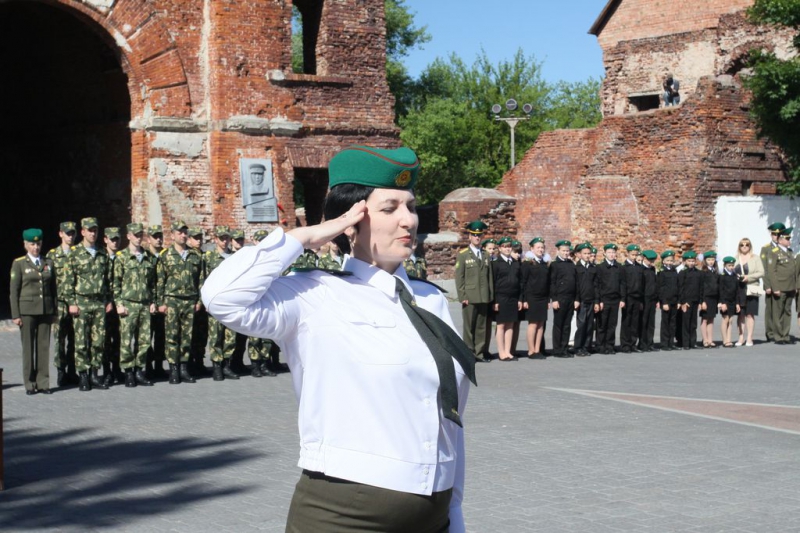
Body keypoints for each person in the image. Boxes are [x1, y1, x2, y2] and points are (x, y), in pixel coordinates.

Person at [202, 145, 474, 532]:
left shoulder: (429, 298)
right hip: (344, 514)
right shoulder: (313, 294)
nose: (408, 220)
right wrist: (305, 235)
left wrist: (455, 509)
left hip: (434, 511)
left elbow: (451, 415)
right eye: (389, 208)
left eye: (411, 206)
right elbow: (222, 297)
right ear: (351, 220)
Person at [63, 217, 113, 391]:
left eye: (95, 230)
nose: (93, 233)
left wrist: (108, 300)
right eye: (89, 230)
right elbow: (68, 281)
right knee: (82, 341)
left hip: (99, 302)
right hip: (82, 302)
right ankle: (83, 375)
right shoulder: (75, 253)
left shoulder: (102, 252)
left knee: (98, 341)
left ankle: (94, 374)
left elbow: (108, 279)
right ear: (82, 232)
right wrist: (71, 302)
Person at [157, 220, 204, 384]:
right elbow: (160, 281)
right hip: (172, 301)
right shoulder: (165, 255)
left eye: (185, 233)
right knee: (171, 336)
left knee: (187, 336)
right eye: (179, 233)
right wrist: (160, 302)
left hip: (189, 300)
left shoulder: (195, 255)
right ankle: (173, 369)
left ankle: (184, 368)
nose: (183, 235)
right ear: (172, 235)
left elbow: (200, 280)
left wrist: (199, 300)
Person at [10, 229, 57, 395]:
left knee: (43, 346)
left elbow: (53, 289)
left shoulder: (48, 263)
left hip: (45, 309)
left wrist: (54, 311)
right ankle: (29, 383)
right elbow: (14, 290)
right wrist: (15, 314)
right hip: (27, 311)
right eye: (32, 244)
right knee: (28, 348)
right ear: (25, 245)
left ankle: (43, 382)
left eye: (38, 244)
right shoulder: (19, 263)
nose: (35, 247)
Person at [113, 223, 157, 387]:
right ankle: (128, 372)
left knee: (144, 341)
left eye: (140, 235)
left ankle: (139, 370)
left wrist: (153, 301)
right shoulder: (121, 257)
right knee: (126, 341)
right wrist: (119, 303)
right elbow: (115, 283)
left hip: (144, 304)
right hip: (128, 305)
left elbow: (153, 283)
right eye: (135, 235)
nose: (138, 238)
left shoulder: (148, 257)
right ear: (129, 236)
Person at [203, 225, 240, 381]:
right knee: (216, 335)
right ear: (215, 239)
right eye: (221, 238)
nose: (224, 242)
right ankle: (217, 366)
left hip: (230, 302)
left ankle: (227, 365)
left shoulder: (235, 257)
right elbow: (202, 279)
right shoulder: (209, 257)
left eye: (227, 238)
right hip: (215, 302)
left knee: (230, 336)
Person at [455, 220, 493, 363]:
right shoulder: (463, 254)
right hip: (469, 297)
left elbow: (489, 277)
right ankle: (469, 353)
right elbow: (459, 277)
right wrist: (462, 296)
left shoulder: (486, 255)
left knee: (481, 327)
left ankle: (480, 353)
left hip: (483, 296)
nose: (477, 238)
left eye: (479, 235)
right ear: (469, 236)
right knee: (469, 327)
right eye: (474, 235)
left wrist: (490, 295)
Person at [47, 221, 78, 387]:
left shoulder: (79, 253)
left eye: (72, 233)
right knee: (59, 339)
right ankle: (61, 371)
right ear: (60, 234)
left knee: (75, 339)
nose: (70, 236)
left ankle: (72, 371)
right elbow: (47, 281)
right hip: (59, 303)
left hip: (76, 303)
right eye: (67, 233)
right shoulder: (52, 255)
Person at [492, 237, 522, 361]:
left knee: (510, 324)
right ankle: (501, 352)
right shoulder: (496, 263)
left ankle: (508, 351)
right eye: (504, 246)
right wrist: (494, 301)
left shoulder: (515, 263)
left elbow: (520, 282)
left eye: (509, 246)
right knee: (501, 325)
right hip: (501, 297)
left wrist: (520, 299)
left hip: (513, 297)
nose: (507, 248)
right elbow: (493, 283)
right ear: (499, 248)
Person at [765, 228, 796, 345]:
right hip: (780, 287)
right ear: (781, 239)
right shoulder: (774, 252)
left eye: (789, 238)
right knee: (778, 312)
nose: (789, 241)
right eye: (787, 239)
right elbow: (771, 272)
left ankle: (786, 335)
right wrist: (775, 288)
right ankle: (778, 336)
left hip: (790, 286)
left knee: (787, 311)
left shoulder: (789, 251)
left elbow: (792, 270)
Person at [146, 224, 168, 380]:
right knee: (146, 337)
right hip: (149, 304)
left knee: (161, 336)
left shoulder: (166, 256)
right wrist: (150, 302)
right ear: (148, 239)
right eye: (155, 237)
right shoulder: (145, 256)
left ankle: (159, 366)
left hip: (164, 304)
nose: (158, 239)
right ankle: (147, 367)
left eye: (160, 236)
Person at [521, 237, 549, 358]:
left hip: (543, 298)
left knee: (541, 324)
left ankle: (538, 349)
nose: (541, 250)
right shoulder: (528, 263)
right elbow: (523, 282)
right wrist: (524, 299)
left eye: (542, 247)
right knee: (533, 324)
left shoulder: (544, 263)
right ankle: (531, 350)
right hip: (532, 297)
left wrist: (548, 299)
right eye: (538, 247)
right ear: (532, 249)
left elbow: (547, 282)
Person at [188, 227, 210, 376]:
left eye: (200, 238)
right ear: (189, 239)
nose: (198, 241)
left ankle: (199, 361)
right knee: (190, 334)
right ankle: (189, 364)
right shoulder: (189, 256)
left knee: (202, 334)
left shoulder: (206, 256)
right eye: (195, 238)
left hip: (203, 302)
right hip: (191, 301)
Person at [734, 238, 764, 347]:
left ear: (750, 246)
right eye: (742, 245)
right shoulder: (736, 258)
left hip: (751, 288)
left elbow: (761, 272)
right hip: (739, 289)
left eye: (747, 244)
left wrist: (748, 277)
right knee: (740, 315)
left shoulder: (755, 258)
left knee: (750, 314)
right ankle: (741, 337)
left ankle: (749, 338)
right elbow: (731, 271)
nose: (744, 246)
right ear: (739, 246)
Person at [549, 239, 577, 357]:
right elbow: (552, 283)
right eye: (563, 251)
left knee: (567, 324)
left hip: (570, 298)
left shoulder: (571, 264)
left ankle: (564, 348)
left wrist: (576, 299)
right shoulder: (555, 265)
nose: (566, 253)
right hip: (560, 298)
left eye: (567, 251)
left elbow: (576, 282)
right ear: (558, 251)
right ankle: (557, 349)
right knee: (558, 325)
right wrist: (554, 299)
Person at [596, 244, 625, 354]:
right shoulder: (600, 267)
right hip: (604, 299)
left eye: (613, 252)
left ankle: (610, 345)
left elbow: (622, 284)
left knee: (612, 324)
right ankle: (600, 346)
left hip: (615, 299)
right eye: (609, 252)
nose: (612, 254)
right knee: (602, 324)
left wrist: (622, 299)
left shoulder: (619, 267)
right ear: (604, 254)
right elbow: (598, 285)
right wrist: (599, 301)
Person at [103, 227, 123, 386]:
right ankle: (106, 371)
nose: (115, 242)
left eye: (117, 239)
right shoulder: (101, 257)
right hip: (105, 306)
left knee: (118, 339)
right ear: (105, 240)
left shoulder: (122, 257)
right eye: (112, 239)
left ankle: (117, 368)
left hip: (119, 305)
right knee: (104, 340)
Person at [572, 242, 598, 357]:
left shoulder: (593, 268)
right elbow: (576, 285)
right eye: (585, 253)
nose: (587, 255)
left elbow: (596, 285)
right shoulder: (576, 268)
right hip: (581, 300)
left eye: (589, 253)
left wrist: (597, 301)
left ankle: (586, 346)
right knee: (581, 324)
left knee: (589, 325)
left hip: (591, 299)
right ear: (579, 254)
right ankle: (578, 347)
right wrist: (576, 299)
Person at [761, 222, 785, 342]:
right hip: (770, 284)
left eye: (779, 234)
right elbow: (764, 268)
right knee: (770, 309)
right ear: (771, 235)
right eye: (775, 234)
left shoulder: (785, 248)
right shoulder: (766, 249)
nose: (777, 236)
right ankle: (770, 333)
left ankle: (780, 332)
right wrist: (767, 285)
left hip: (782, 284)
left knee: (781, 309)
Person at [620, 244, 644, 353]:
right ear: (627, 254)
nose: (634, 257)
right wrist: (623, 299)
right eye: (632, 255)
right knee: (626, 321)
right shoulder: (624, 268)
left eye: (635, 255)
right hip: (628, 297)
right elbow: (623, 284)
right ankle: (625, 344)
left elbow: (642, 284)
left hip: (637, 298)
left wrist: (641, 300)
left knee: (635, 322)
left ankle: (633, 344)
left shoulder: (639, 267)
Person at [678, 251, 702, 350]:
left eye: (693, 261)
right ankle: (685, 343)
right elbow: (680, 288)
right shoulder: (683, 273)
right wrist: (682, 301)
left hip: (695, 300)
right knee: (685, 322)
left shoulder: (698, 273)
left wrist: (700, 301)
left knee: (693, 323)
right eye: (689, 261)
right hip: (686, 301)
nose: (691, 263)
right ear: (685, 261)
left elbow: (700, 288)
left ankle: (693, 342)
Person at [658, 250, 680, 350]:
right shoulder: (662, 272)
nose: (670, 262)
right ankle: (664, 343)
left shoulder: (674, 271)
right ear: (663, 261)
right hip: (666, 301)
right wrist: (664, 302)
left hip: (674, 300)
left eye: (671, 260)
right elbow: (661, 289)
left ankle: (671, 342)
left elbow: (678, 287)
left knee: (673, 322)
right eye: (668, 260)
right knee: (665, 322)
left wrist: (679, 301)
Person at [719, 257, 743, 348]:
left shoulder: (734, 275)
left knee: (731, 320)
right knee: (725, 319)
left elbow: (737, 290)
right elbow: (721, 290)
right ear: (725, 265)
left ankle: (729, 339)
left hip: (733, 300)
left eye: (732, 265)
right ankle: (725, 340)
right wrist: (723, 302)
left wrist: (737, 303)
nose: (731, 267)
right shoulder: (722, 275)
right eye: (729, 265)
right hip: (725, 301)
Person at [699, 251, 720, 348]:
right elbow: (701, 288)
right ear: (705, 260)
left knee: (711, 319)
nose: (711, 261)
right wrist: (702, 301)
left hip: (713, 298)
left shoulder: (716, 272)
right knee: (705, 319)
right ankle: (705, 339)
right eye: (709, 260)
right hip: (706, 298)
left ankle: (710, 339)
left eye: (712, 259)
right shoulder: (703, 272)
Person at [639, 250, 659, 351]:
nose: (651, 262)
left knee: (651, 322)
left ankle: (650, 343)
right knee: (643, 321)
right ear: (644, 258)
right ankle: (642, 343)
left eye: (653, 260)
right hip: (644, 298)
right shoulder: (641, 269)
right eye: (650, 260)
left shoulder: (652, 269)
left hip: (652, 299)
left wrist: (657, 299)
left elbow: (655, 284)